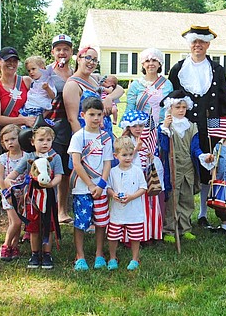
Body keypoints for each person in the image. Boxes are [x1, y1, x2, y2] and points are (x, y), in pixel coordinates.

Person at [168, 26, 226, 229]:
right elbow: (170, 100)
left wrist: (225, 126)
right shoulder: (178, 69)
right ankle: (178, 212)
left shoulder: (217, 69)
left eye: (202, 42)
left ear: (208, 44)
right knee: (183, 167)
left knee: (208, 165)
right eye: (194, 42)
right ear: (189, 44)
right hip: (184, 124)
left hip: (210, 123)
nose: (198, 45)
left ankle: (202, 214)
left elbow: (223, 98)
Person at [6, 126, 64, 269]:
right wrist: (9, 182)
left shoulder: (55, 157)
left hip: (49, 199)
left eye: (48, 140)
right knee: (33, 228)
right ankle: (34, 253)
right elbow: (15, 173)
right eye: (41, 140)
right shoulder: (29, 157)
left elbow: (59, 176)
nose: (45, 143)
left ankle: (47, 254)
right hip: (32, 200)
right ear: (32, 142)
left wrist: (52, 184)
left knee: (48, 227)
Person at [68, 97, 114, 271]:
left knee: (101, 222)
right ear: (83, 115)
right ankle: (80, 255)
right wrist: (90, 185)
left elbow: (108, 162)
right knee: (81, 222)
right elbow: (77, 163)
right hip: (82, 188)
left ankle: (99, 254)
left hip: (100, 187)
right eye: (92, 114)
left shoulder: (105, 138)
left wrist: (101, 184)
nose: (96, 118)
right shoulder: (78, 137)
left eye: (99, 114)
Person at [158, 90, 210, 243]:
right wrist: (166, 129)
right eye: (177, 107)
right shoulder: (165, 127)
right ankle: (169, 229)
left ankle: (185, 228)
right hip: (172, 168)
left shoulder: (191, 126)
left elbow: (195, 148)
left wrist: (202, 156)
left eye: (183, 107)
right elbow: (164, 147)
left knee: (186, 200)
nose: (181, 110)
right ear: (170, 109)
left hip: (188, 168)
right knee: (172, 200)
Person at [120, 109, 164, 242]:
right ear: (128, 127)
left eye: (141, 126)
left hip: (146, 177)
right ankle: (130, 237)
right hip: (132, 179)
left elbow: (150, 157)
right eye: (134, 126)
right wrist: (135, 149)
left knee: (149, 206)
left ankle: (149, 233)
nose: (138, 129)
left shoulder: (147, 140)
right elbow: (123, 160)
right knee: (134, 208)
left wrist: (151, 157)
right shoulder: (125, 141)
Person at [63, 46, 124, 139]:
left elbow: (120, 89)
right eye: (87, 58)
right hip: (88, 136)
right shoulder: (72, 85)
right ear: (79, 59)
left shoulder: (95, 78)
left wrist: (109, 98)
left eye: (95, 60)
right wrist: (83, 144)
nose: (91, 62)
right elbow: (72, 119)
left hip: (105, 133)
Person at [106, 136, 148, 271]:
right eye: (124, 155)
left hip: (134, 211)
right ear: (116, 155)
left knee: (135, 236)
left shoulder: (137, 170)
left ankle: (135, 259)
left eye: (130, 154)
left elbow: (143, 188)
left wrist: (131, 197)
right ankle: (112, 257)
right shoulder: (113, 172)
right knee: (113, 235)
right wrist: (113, 195)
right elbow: (108, 187)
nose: (128, 158)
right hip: (117, 212)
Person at [47, 34, 74, 225]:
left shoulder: (76, 73)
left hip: (72, 128)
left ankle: (62, 210)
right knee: (48, 169)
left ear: (71, 52)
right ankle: (46, 209)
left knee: (65, 172)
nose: (62, 52)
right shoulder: (46, 72)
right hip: (51, 128)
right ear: (53, 52)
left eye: (65, 49)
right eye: (58, 49)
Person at [0, 47, 35, 141]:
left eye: (14, 61)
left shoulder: (26, 81)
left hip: (27, 135)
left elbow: (40, 100)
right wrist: (24, 120)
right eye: (8, 60)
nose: (11, 64)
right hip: (8, 137)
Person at [0, 124, 25, 262]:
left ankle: (14, 246)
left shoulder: (26, 156)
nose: (10, 142)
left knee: (18, 222)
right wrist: (7, 195)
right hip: (8, 195)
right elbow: (1, 179)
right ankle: (6, 245)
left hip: (24, 195)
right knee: (16, 222)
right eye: (6, 140)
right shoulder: (3, 159)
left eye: (13, 139)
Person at [125, 47, 174, 124]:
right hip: (140, 128)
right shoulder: (136, 84)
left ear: (159, 64)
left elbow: (171, 108)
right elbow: (130, 108)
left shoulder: (167, 84)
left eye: (154, 60)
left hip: (162, 127)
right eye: (147, 61)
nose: (151, 63)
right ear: (143, 64)